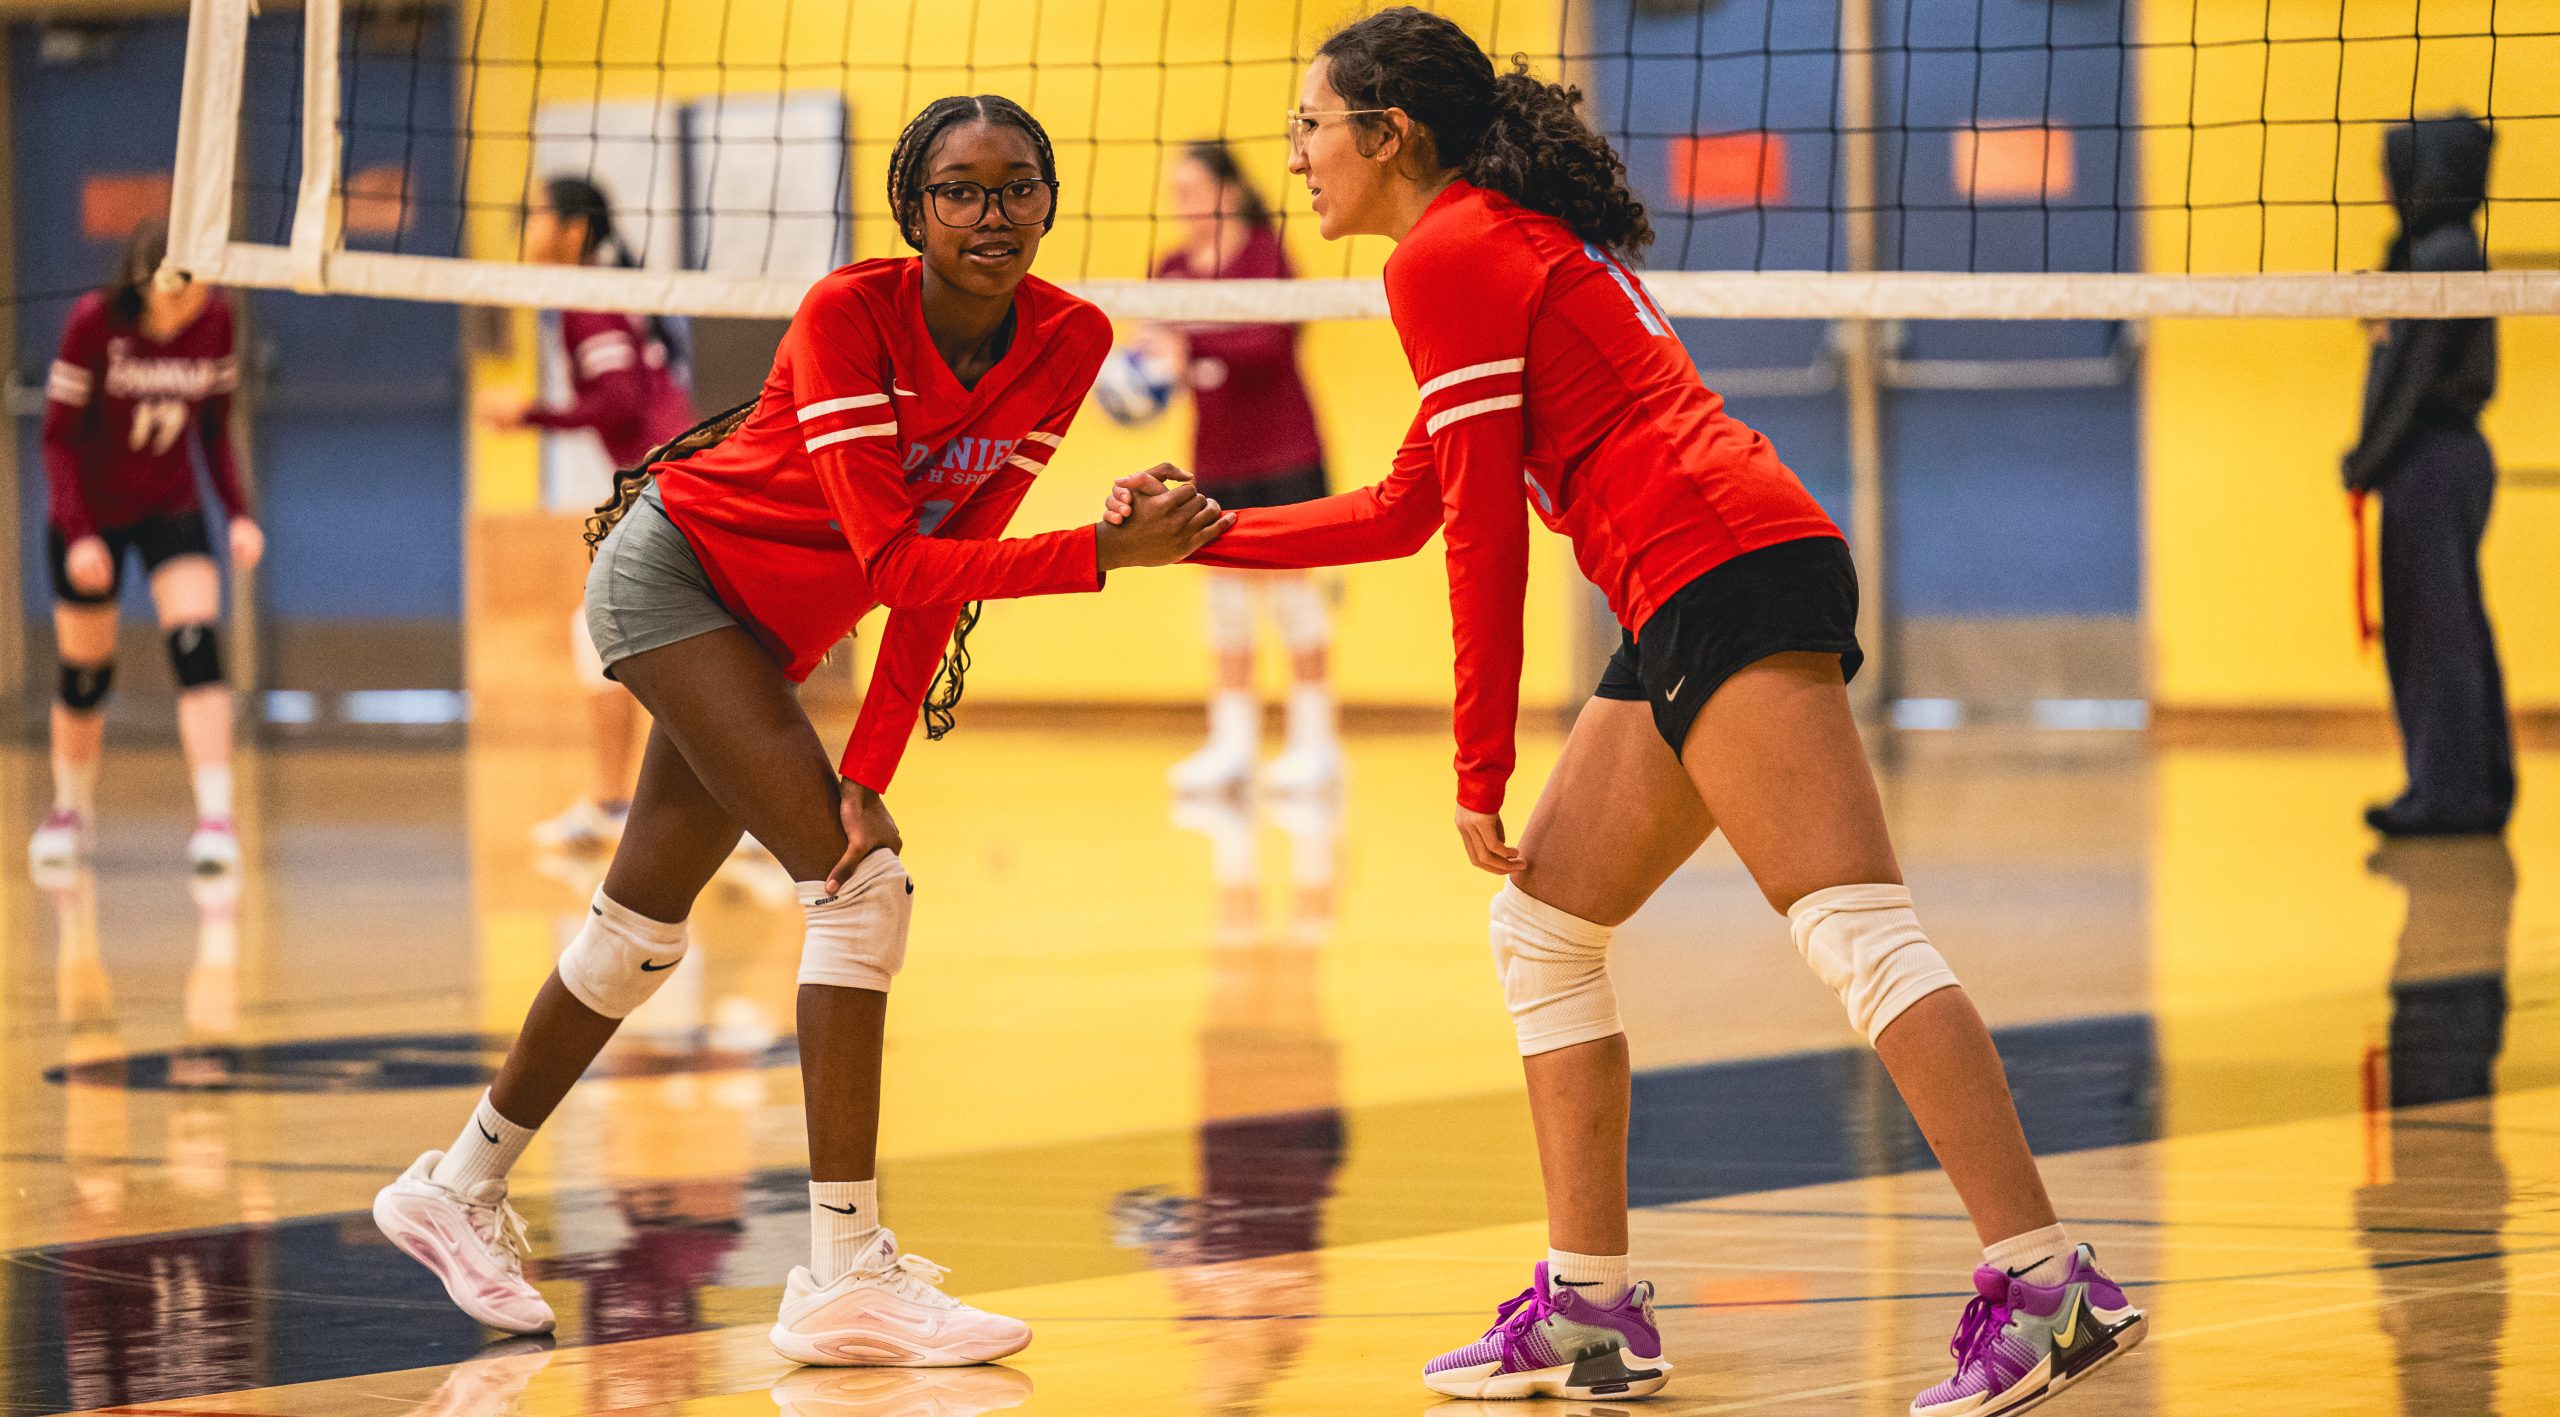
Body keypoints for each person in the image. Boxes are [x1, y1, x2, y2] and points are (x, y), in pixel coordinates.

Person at [1107, 11, 2143, 1411]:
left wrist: (1476, 764)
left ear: (1386, 134)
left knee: (1853, 930)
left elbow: (1481, 534)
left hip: (1719, 560)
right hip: (1690, 574)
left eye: (1310, 124)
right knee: (1545, 933)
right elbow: (1411, 506)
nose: (1295, 153)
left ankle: (2048, 1284)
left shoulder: (1451, 252)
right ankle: (1589, 1312)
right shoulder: (1479, 247)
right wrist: (1208, 533)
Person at [369, 94, 1231, 1364]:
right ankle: (841, 1270)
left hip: (774, 631)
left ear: (1050, 198)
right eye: (960, 189)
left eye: (1017, 186)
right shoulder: (847, 313)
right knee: (860, 894)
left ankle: (456, 1184)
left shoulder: (1070, 337)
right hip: (676, 580)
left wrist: (868, 771)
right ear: (911, 209)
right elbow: (893, 559)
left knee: (636, 935)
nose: (991, 214)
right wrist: (1104, 556)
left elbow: (960, 560)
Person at [31, 219, 264, 875]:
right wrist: (78, 534)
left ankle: (216, 818)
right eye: (180, 294)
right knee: (85, 673)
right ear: (147, 282)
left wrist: (239, 514)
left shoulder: (217, 318)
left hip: (171, 505)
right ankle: (70, 809)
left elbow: (215, 427)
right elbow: (56, 438)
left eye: (201, 290)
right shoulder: (93, 322)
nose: (193, 305)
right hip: (93, 514)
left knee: (197, 650)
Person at [479, 176, 700, 851]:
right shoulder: (595, 292)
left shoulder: (589, 298)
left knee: (630, 639)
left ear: (574, 231)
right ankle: (615, 800)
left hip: (667, 482)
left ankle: (719, 805)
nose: (528, 226)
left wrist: (528, 415)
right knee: (610, 637)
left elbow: (621, 402)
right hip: (661, 480)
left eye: (537, 213)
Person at [1151, 143, 1341, 795]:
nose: (1179, 203)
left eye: (1190, 189)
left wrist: (1188, 342)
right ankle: (1232, 747)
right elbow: (1161, 356)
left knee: (1293, 601)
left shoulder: (1263, 253)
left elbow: (1266, 342)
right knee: (1226, 606)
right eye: (1172, 191)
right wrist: (1144, 371)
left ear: (1228, 192)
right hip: (1216, 462)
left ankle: (1316, 746)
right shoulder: (1170, 269)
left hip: (1285, 453)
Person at [2345, 114, 2510, 838]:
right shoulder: (2433, 251)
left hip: (2431, 462)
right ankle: (2469, 785)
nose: (2381, 181)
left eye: (2392, 165)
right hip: (2442, 461)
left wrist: (2363, 462)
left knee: (2434, 633)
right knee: (2453, 627)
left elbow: (2407, 382)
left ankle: (2447, 797)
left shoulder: (2443, 257)